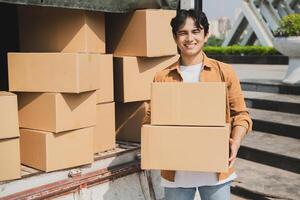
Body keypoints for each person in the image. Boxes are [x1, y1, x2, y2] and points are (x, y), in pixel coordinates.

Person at [142, 9, 253, 200]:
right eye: (183, 32)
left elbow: (241, 115)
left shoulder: (223, 72)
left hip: (216, 173)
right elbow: (151, 121)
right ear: (175, 37)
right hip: (176, 175)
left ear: (206, 35)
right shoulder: (162, 77)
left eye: (196, 31)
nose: (189, 38)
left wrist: (235, 141)